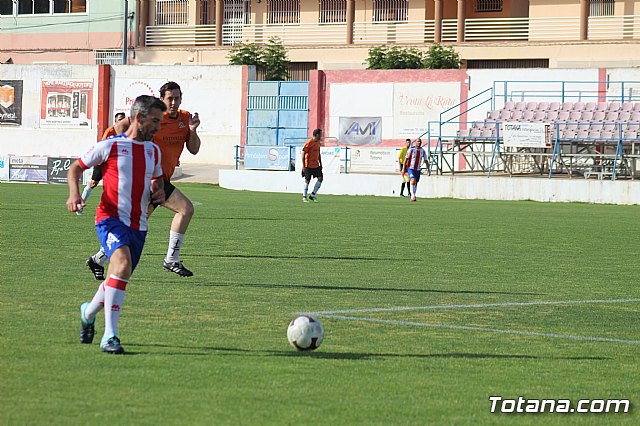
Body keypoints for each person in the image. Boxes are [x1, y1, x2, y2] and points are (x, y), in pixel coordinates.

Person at [66, 95, 166, 354]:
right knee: (121, 265)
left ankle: (88, 313)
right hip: (109, 219)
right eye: (155, 121)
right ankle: (109, 336)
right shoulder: (110, 146)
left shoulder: (154, 151)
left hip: (139, 225)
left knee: (117, 277)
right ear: (139, 118)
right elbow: (75, 169)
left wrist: (159, 192)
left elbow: (156, 182)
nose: (158, 126)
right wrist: (74, 194)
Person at [86, 81, 201, 278]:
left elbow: (194, 149)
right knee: (186, 209)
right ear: (161, 99)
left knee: (133, 227)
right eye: (169, 99)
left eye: (177, 98)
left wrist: (192, 129)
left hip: (159, 180)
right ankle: (171, 259)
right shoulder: (153, 118)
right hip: (147, 179)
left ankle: (97, 260)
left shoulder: (185, 119)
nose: (174, 102)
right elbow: (116, 129)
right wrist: (105, 160)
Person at [77, 112, 127, 215]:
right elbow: (103, 146)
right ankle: (80, 205)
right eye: (119, 119)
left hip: (118, 162)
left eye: (123, 119)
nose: (121, 121)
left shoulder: (127, 132)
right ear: (115, 121)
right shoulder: (110, 131)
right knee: (93, 183)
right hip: (104, 161)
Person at [301, 128, 323, 203]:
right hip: (308, 165)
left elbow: (318, 153)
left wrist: (320, 163)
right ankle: (304, 197)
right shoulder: (309, 142)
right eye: (320, 135)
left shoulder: (318, 143)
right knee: (307, 180)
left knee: (320, 178)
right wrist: (304, 166)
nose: (321, 136)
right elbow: (303, 154)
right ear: (317, 135)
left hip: (316, 165)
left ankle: (312, 195)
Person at [404, 138, 427, 202]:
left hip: (418, 169)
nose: (419, 142)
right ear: (415, 142)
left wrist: (428, 170)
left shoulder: (423, 151)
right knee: (413, 180)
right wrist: (403, 168)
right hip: (411, 168)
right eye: (417, 141)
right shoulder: (411, 149)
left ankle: (413, 196)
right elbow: (406, 159)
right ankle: (413, 196)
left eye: (420, 141)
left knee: (415, 183)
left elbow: (426, 160)